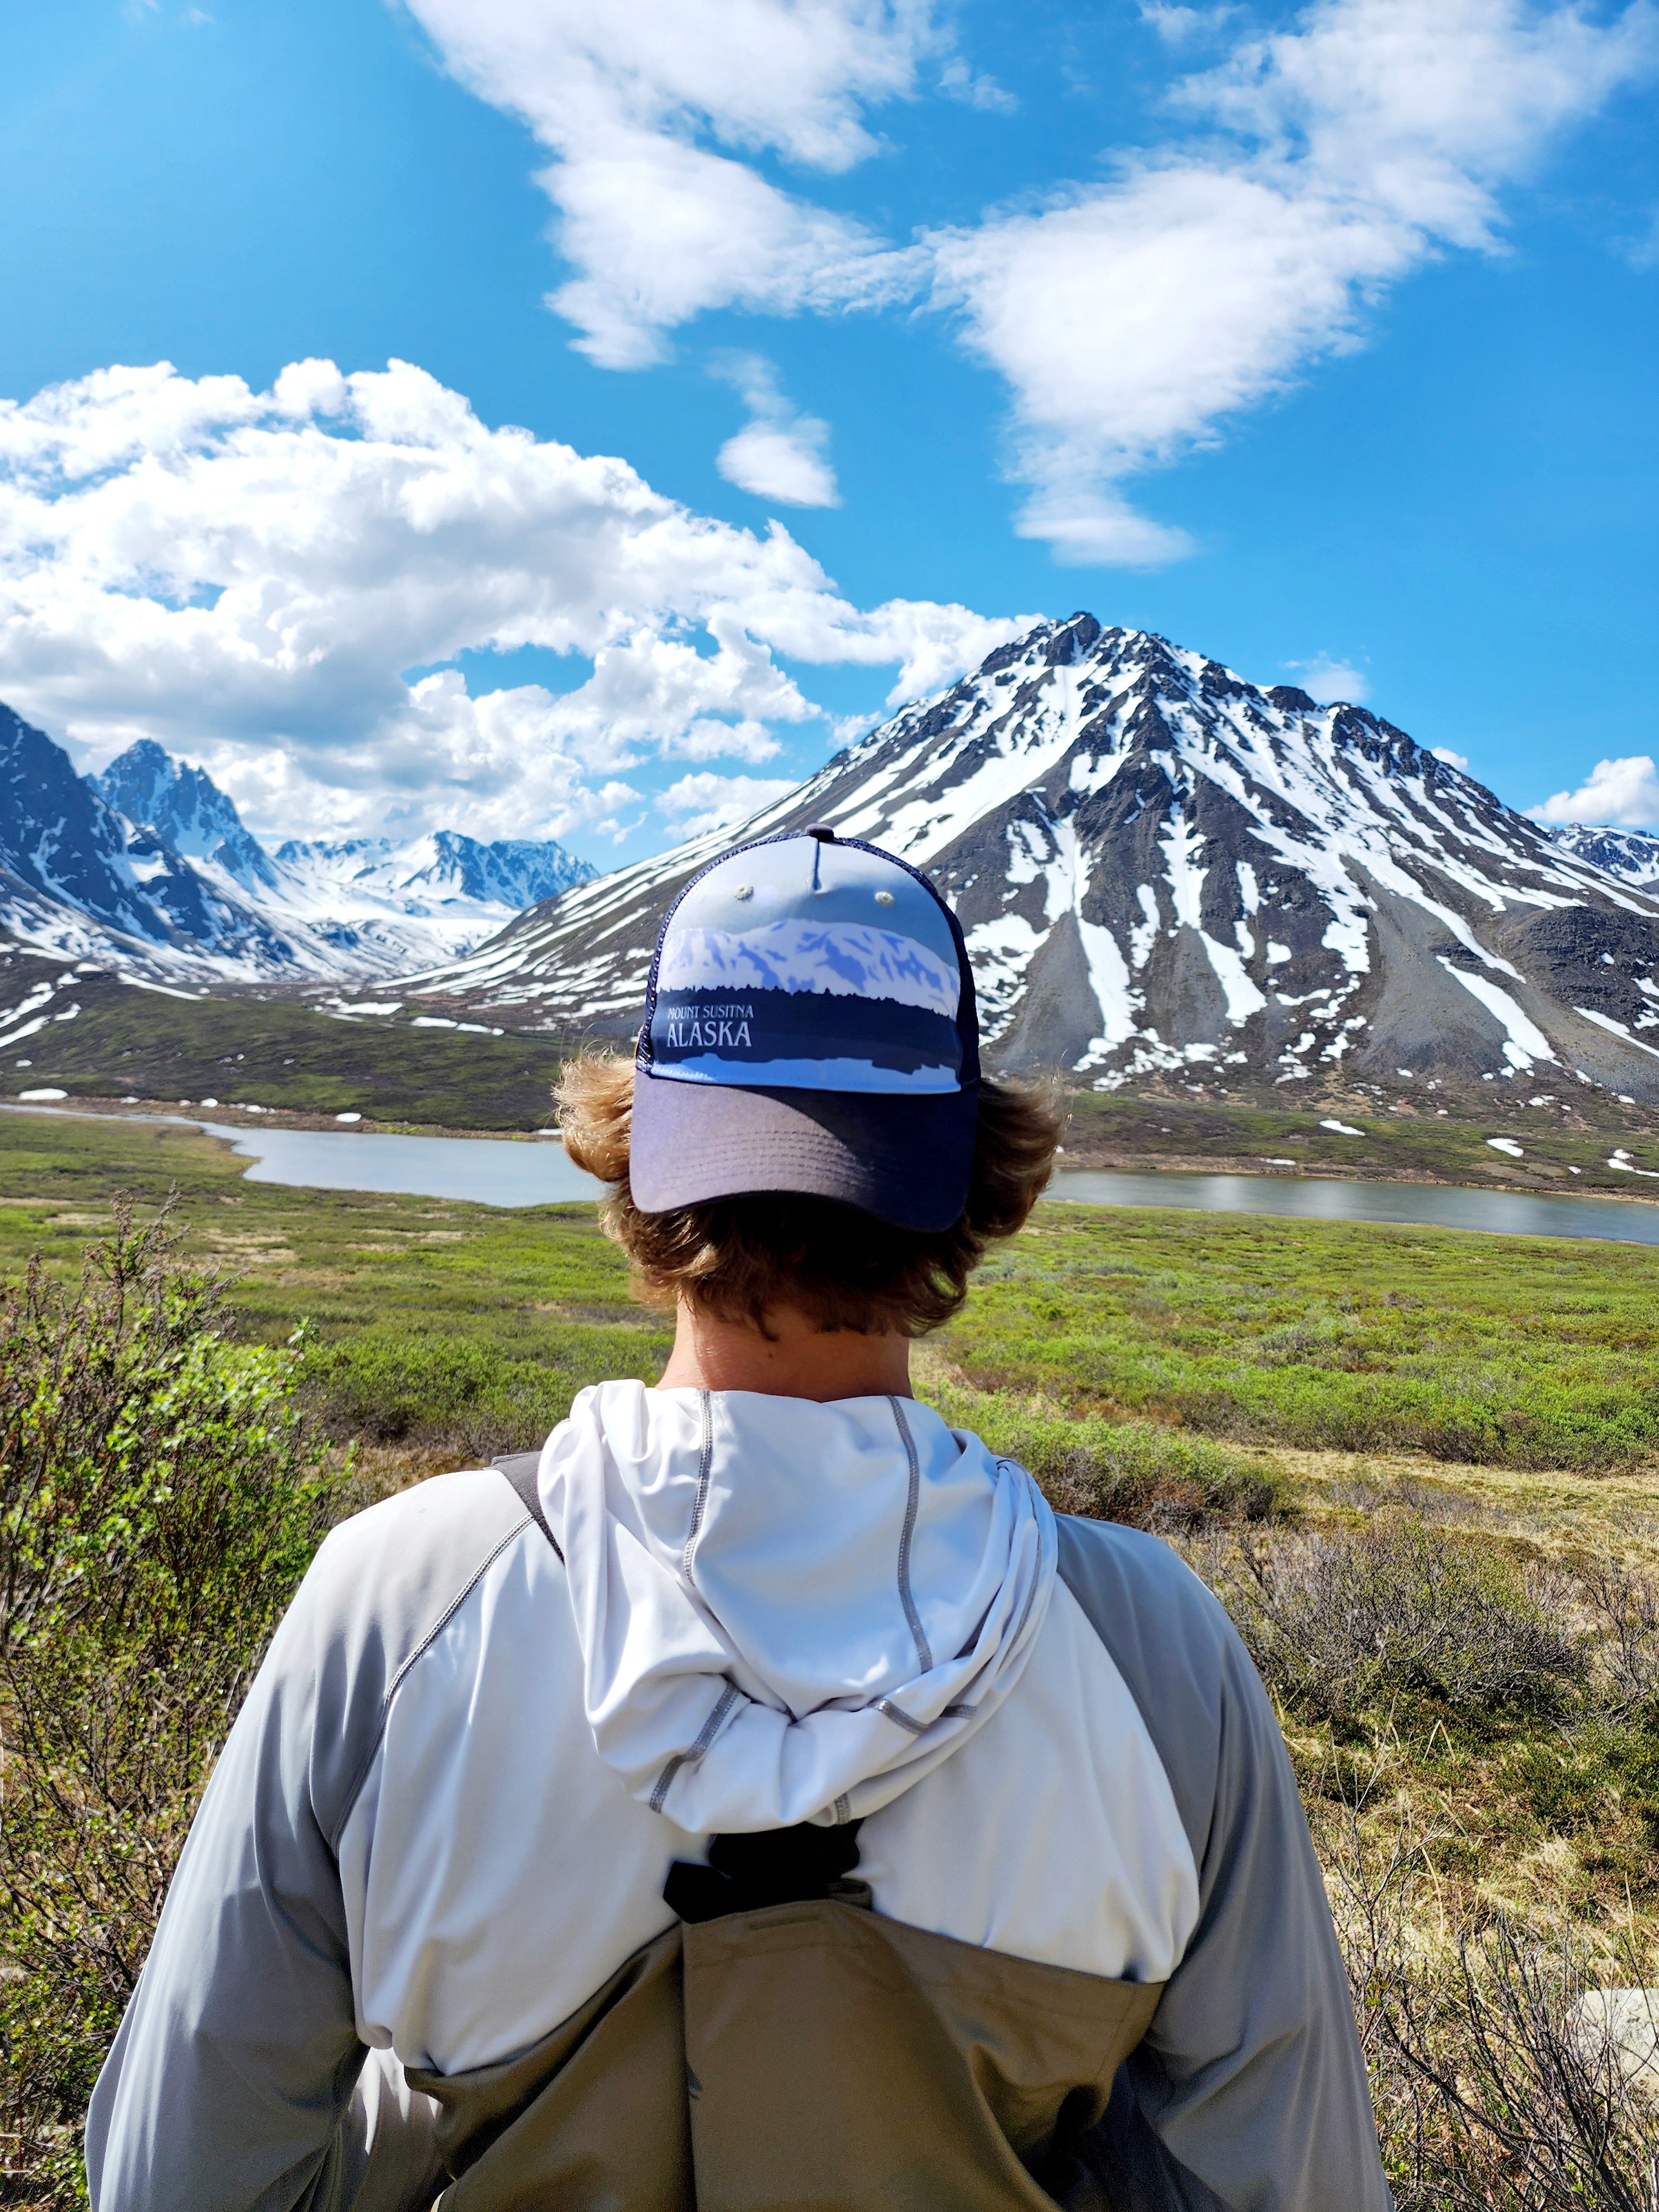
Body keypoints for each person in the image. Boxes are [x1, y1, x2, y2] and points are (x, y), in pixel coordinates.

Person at [86, 827, 1390, 2211]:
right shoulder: (1151, 1645)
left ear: (638, 1154)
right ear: (978, 1179)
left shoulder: (402, 1598)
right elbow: (1282, 2179)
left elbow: (183, 2169)